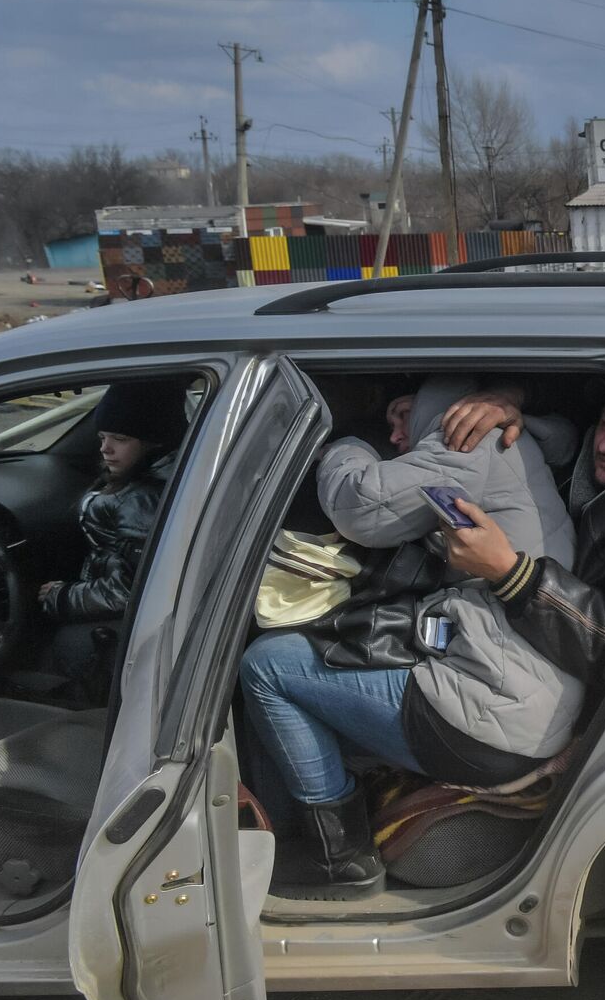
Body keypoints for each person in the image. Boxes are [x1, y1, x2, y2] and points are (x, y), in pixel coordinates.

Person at [239, 374, 578, 898]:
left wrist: (347, 440)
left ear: (439, 400)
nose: (396, 436)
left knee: (267, 666)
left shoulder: (466, 434)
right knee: (305, 690)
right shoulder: (514, 434)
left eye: (401, 415)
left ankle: (340, 860)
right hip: (518, 693)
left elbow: (361, 509)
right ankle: (287, 837)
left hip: (492, 714)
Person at [441, 386, 605, 696]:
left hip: (538, 694)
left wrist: (510, 572)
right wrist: (513, 398)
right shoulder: (575, 450)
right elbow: (571, 389)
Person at [37, 378, 191, 694]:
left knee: (58, 653)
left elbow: (129, 590)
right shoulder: (145, 479)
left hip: (129, 618)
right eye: (102, 437)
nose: (105, 448)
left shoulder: (141, 499)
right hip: (119, 604)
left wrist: (63, 597)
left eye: (119, 438)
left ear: (155, 442)